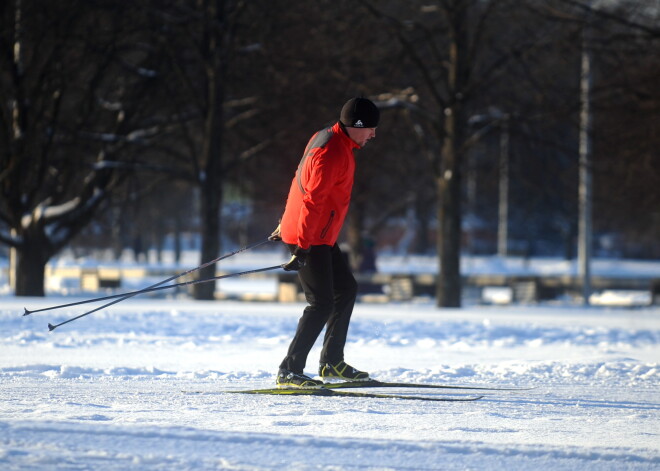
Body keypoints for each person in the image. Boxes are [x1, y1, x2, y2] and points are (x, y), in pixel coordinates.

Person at [269, 97, 380, 388]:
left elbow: (299, 181)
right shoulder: (332, 152)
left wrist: (284, 221)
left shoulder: (330, 139)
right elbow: (312, 199)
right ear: (356, 126)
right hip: (311, 236)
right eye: (370, 128)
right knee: (320, 303)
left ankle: (331, 362)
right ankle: (289, 371)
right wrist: (301, 245)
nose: (373, 134)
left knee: (346, 289)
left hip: (319, 233)